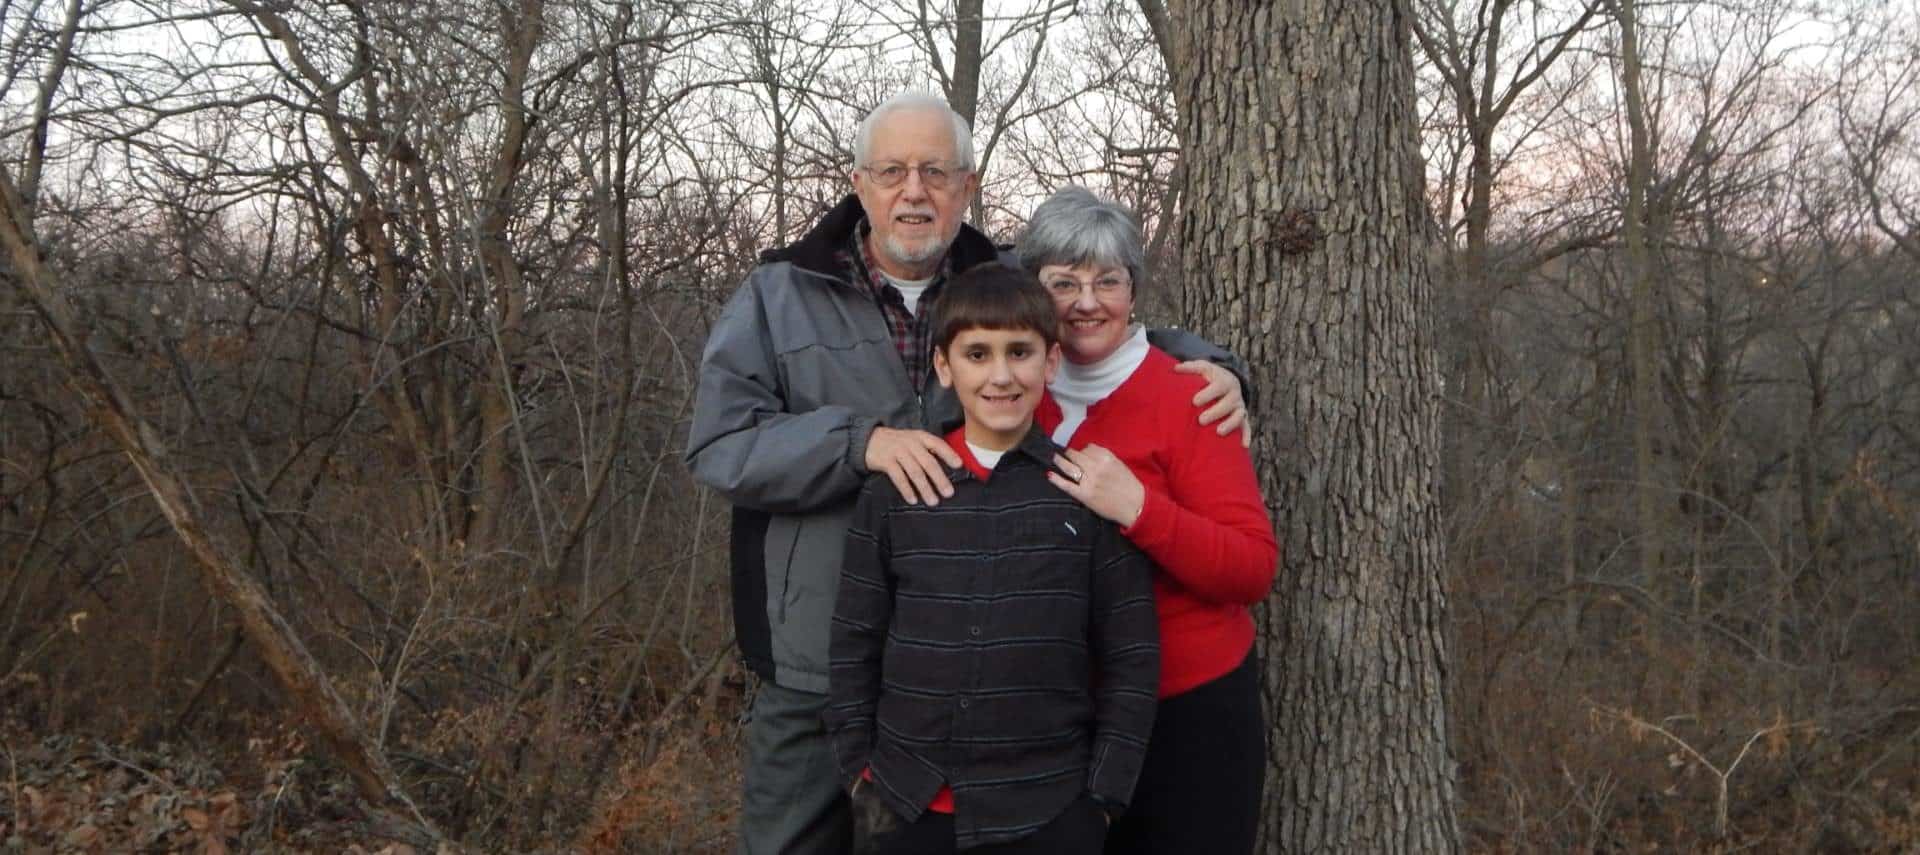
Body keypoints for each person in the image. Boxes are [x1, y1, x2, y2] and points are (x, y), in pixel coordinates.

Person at [685, 92, 1248, 854]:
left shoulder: (1000, 280)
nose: (913, 190)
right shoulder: (779, 296)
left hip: (976, 690)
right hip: (819, 664)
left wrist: (1212, 363)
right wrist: (862, 444)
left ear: (967, 185)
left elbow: (1094, 317)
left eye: (935, 171)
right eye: (892, 171)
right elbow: (719, 443)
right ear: (860, 183)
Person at [825, 263, 1158, 854]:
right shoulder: (896, 491)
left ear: (1051, 362)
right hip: (903, 801)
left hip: (1049, 807)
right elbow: (855, 641)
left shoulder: (1086, 490)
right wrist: (860, 772)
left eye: (1019, 353)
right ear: (945, 367)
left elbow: (1130, 657)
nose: (1001, 375)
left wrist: (1103, 800)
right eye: (977, 354)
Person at [1016, 186, 1280, 855]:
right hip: (1057, 719)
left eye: (1108, 280)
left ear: (1133, 289)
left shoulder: (1191, 394)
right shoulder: (1009, 396)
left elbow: (1251, 566)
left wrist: (1139, 507)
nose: (1086, 301)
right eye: (1063, 282)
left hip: (1186, 713)